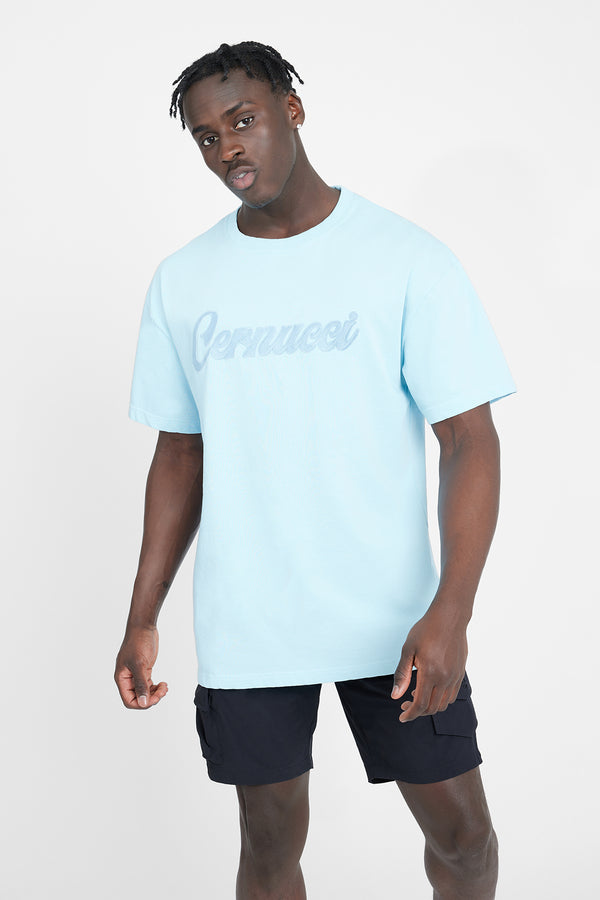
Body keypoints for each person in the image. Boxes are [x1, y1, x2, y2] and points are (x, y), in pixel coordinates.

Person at [114, 40, 517, 899]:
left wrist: (452, 610)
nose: (228, 148)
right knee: (267, 849)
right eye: (207, 136)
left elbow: (469, 440)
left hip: (396, 621)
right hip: (250, 621)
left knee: (464, 840)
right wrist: (142, 614)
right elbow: (180, 452)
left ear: (291, 110)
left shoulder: (405, 258)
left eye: (244, 120)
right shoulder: (183, 281)